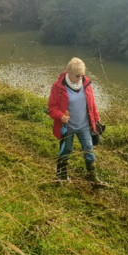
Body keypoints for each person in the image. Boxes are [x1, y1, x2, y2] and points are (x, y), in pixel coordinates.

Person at [48, 57, 106, 186]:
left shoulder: (86, 84)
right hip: (67, 127)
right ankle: (61, 177)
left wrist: (97, 119)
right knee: (66, 151)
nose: (80, 78)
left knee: (89, 150)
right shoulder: (58, 87)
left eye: (82, 75)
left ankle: (93, 178)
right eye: (77, 76)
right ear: (68, 72)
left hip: (84, 126)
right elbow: (51, 108)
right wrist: (60, 116)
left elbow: (92, 104)